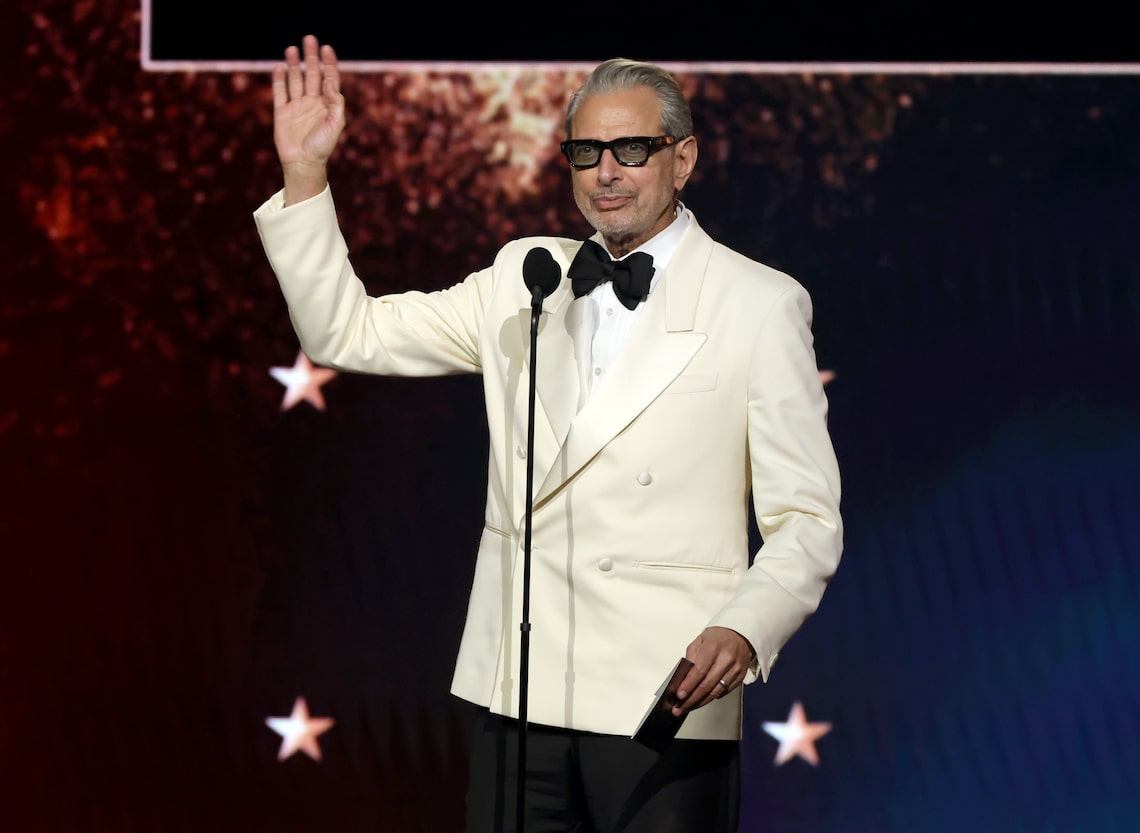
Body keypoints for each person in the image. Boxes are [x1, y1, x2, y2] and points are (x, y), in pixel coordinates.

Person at [254, 34, 843, 833]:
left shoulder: (758, 303)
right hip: (520, 691)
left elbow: (806, 518)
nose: (607, 171)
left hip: (664, 700)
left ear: (684, 159)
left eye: (632, 149)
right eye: (586, 151)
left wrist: (745, 626)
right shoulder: (524, 277)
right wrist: (305, 174)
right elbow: (344, 331)